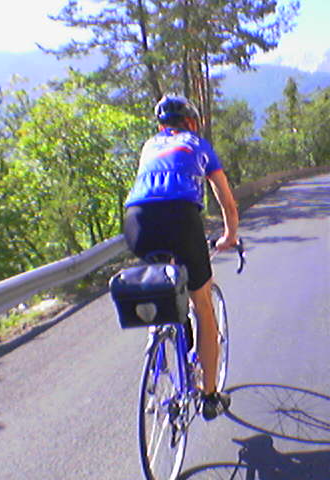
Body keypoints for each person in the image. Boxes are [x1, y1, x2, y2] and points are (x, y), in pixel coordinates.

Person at [123, 94, 239, 419]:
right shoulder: (199, 144)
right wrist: (230, 235)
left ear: (161, 126)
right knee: (202, 305)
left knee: (162, 289)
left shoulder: (149, 146)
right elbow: (226, 200)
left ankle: (159, 341)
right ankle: (210, 395)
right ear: (191, 122)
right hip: (181, 219)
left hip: (136, 221)